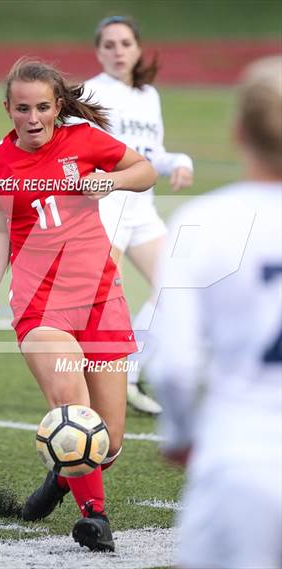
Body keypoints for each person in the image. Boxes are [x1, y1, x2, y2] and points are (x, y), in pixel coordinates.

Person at [0, 58, 157, 552]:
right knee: (69, 395)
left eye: (41, 108)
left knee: (109, 440)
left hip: (101, 300)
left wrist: (110, 181)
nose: (32, 119)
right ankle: (94, 516)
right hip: (41, 308)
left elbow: (145, 170)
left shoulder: (83, 141)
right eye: (21, 109)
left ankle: (62, 475)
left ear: (57, 106)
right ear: (7, 108)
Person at [148, 55, 282, 568]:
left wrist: (180, 436)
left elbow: (175, 366)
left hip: (239, 460)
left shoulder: (203, 220)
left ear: (239, 131)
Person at [81, 16, 194, 414]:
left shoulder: (149, 95)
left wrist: (179, 160)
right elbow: (73, 152)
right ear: (98, 51)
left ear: (138, 48)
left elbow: (151, 155)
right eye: (109, 45)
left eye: (125, 43)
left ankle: (129, 372)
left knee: (176, 285)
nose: (118, 52)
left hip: (141, 210)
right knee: (105, 304)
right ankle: (93, 387)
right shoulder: (89, 93)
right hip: (105, 208)